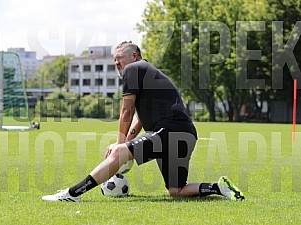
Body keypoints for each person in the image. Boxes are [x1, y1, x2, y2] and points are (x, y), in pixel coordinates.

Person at [42, 41, 245, 202]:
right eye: (114, 60)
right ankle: (219, 188)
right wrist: (128, 139)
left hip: (170, 130)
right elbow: (139, 118)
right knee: (177, 190)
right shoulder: (148, 75)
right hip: (184, 134)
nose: (116, 63)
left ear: (134, 56)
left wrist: (120, 144)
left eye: (119, 58)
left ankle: (73, 193)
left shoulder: (134, 69)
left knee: (120, 153)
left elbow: (127, 110)